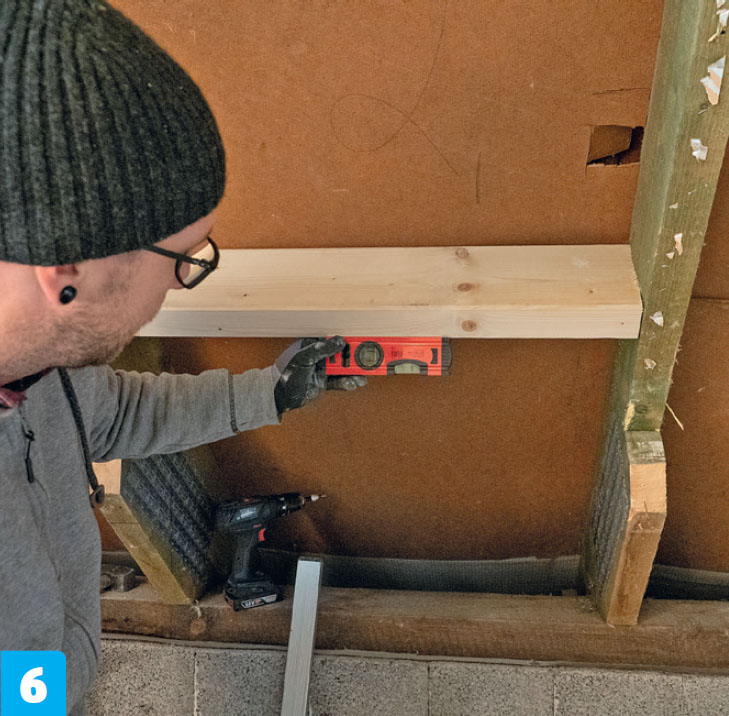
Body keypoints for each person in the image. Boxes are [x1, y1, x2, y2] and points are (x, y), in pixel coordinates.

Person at [0, 1, 364, 713]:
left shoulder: (42, 369)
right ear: (65, 272)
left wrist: (268, 393)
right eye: (181, 257)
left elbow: (111, 413)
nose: (181, 280)